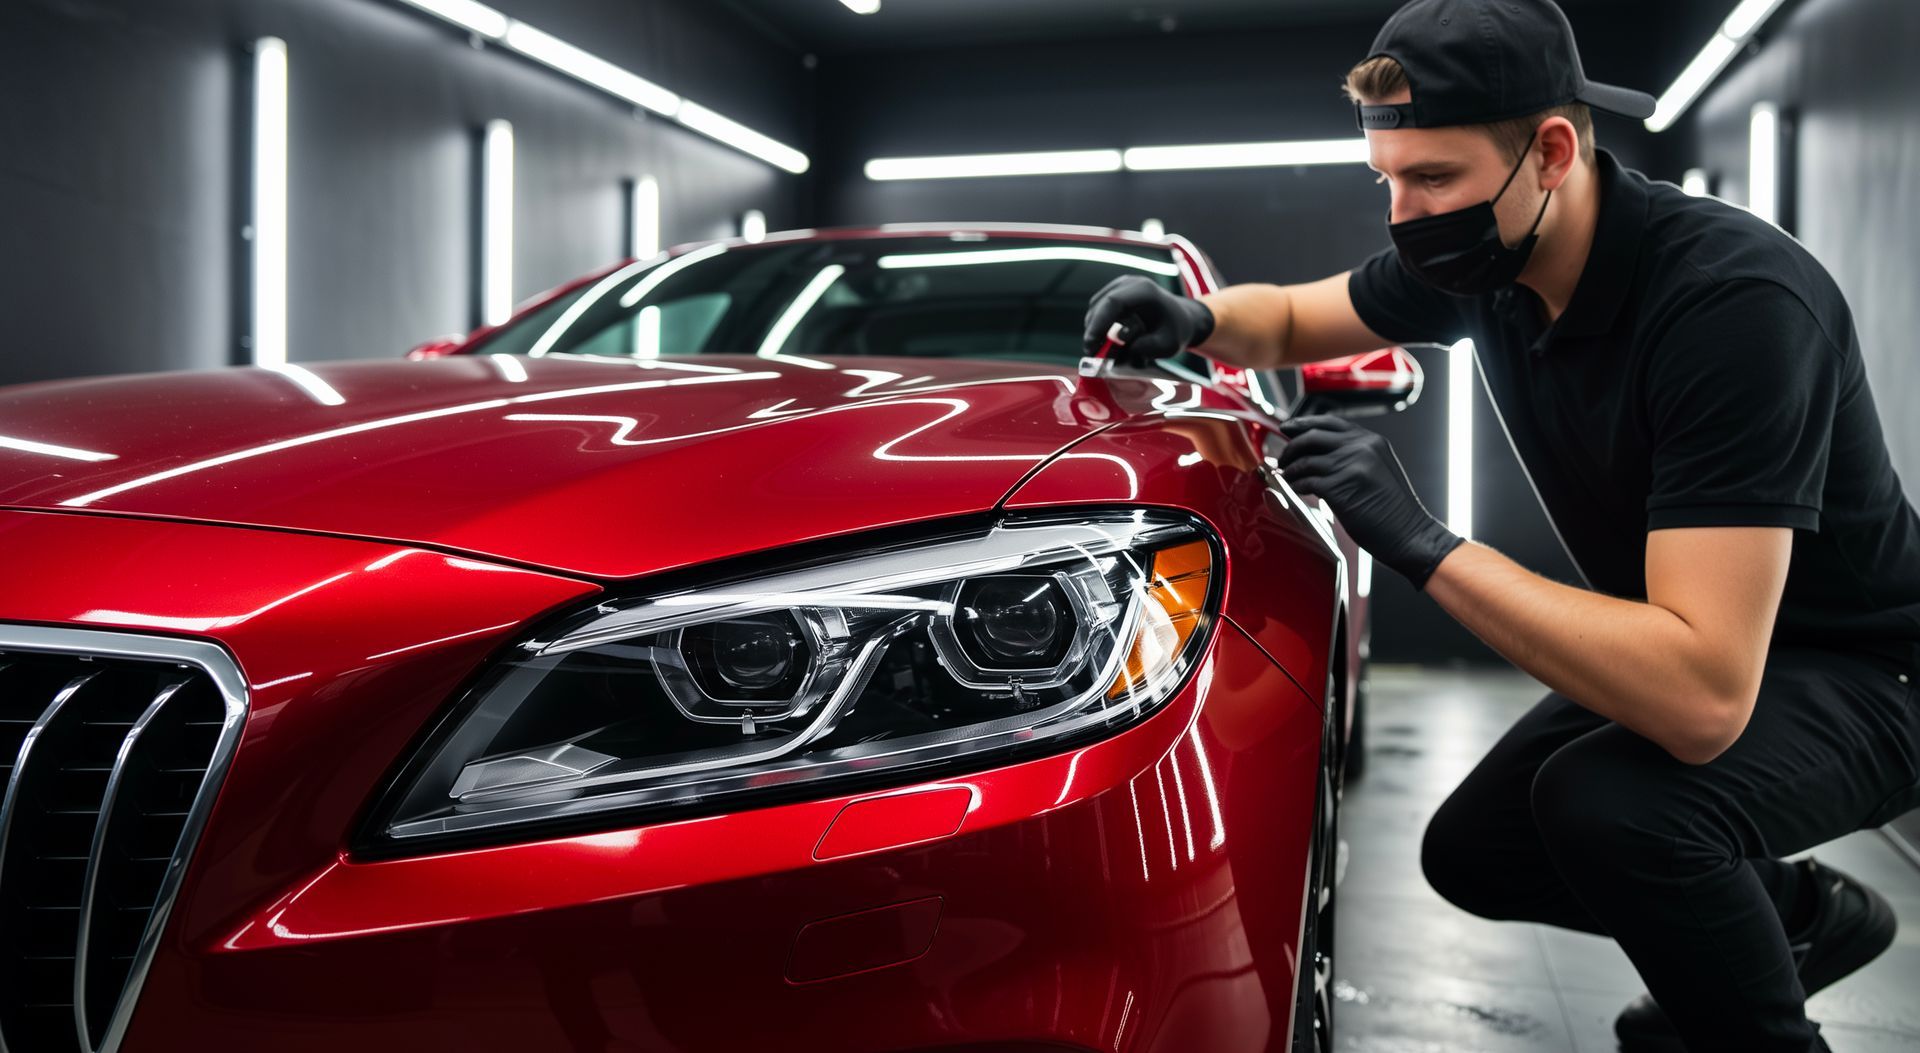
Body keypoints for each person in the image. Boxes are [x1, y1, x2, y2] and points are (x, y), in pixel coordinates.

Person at [1081, 1, 1920, 1049]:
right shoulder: (1490, 266)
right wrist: (1199, 320)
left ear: (1552, 151)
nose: (1403, 214)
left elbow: (1704, 696)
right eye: (1387, 180)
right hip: (1704, 642)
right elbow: (1295, 318)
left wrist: (1423, 539)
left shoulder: (1734, 308)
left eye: (1434, 180)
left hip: (1868, 672)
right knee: (1481, 850)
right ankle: (1802, 922)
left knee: (1614, 808)